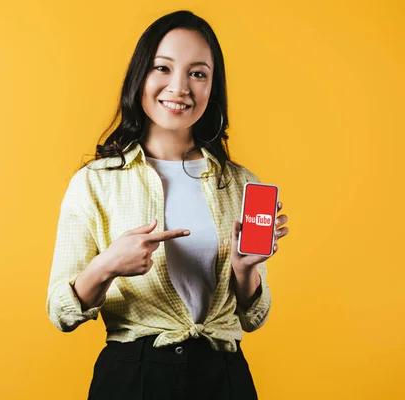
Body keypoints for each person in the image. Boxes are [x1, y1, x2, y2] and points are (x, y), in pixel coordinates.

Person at [46, 10, 289, 400]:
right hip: (134, 377)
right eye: (163, 68)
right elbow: (61, 311)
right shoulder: (94, 183)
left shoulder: (241, 184)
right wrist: (108, 264)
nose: (179, 88)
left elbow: (253, 317)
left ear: (213, 88)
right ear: (140, 76)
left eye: (198, 73)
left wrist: (246, 270)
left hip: (223, 377)